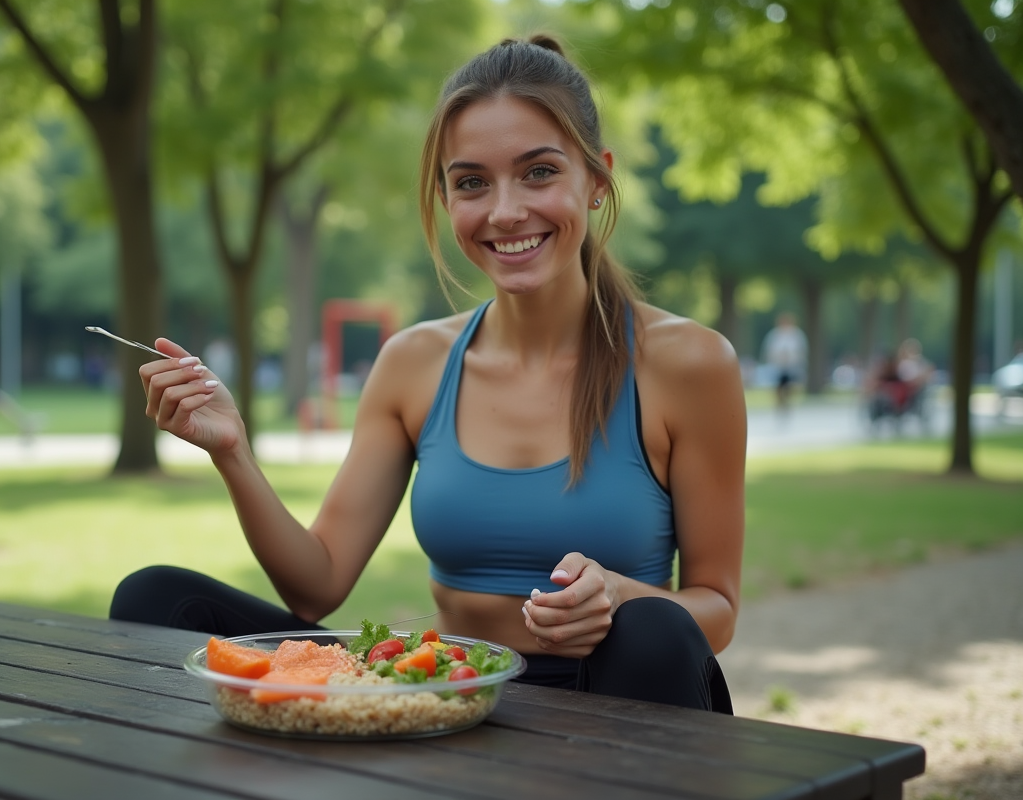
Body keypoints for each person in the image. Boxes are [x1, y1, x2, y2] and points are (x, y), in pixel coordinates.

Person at [110, 36, 746, 713]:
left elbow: (717, 610)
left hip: (619, 709)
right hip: (455, 703)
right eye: (472, 182)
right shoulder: (415, 363)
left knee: (650, 629)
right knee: (154, 599)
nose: (505, 211)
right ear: (447, 199)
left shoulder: (686, 363)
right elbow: (317, 584)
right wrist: (232, 451)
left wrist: (621, 596)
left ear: (596, 181)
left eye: (538, 172)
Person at [760, 312, 807, 416]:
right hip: (778, 366)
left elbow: (801, 351)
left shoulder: (796, 335)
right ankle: (780, 405)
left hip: (791, 366)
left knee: (790, 387)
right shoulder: (774, 335)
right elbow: (769, 350)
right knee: (778, 387)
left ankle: (787, 405)